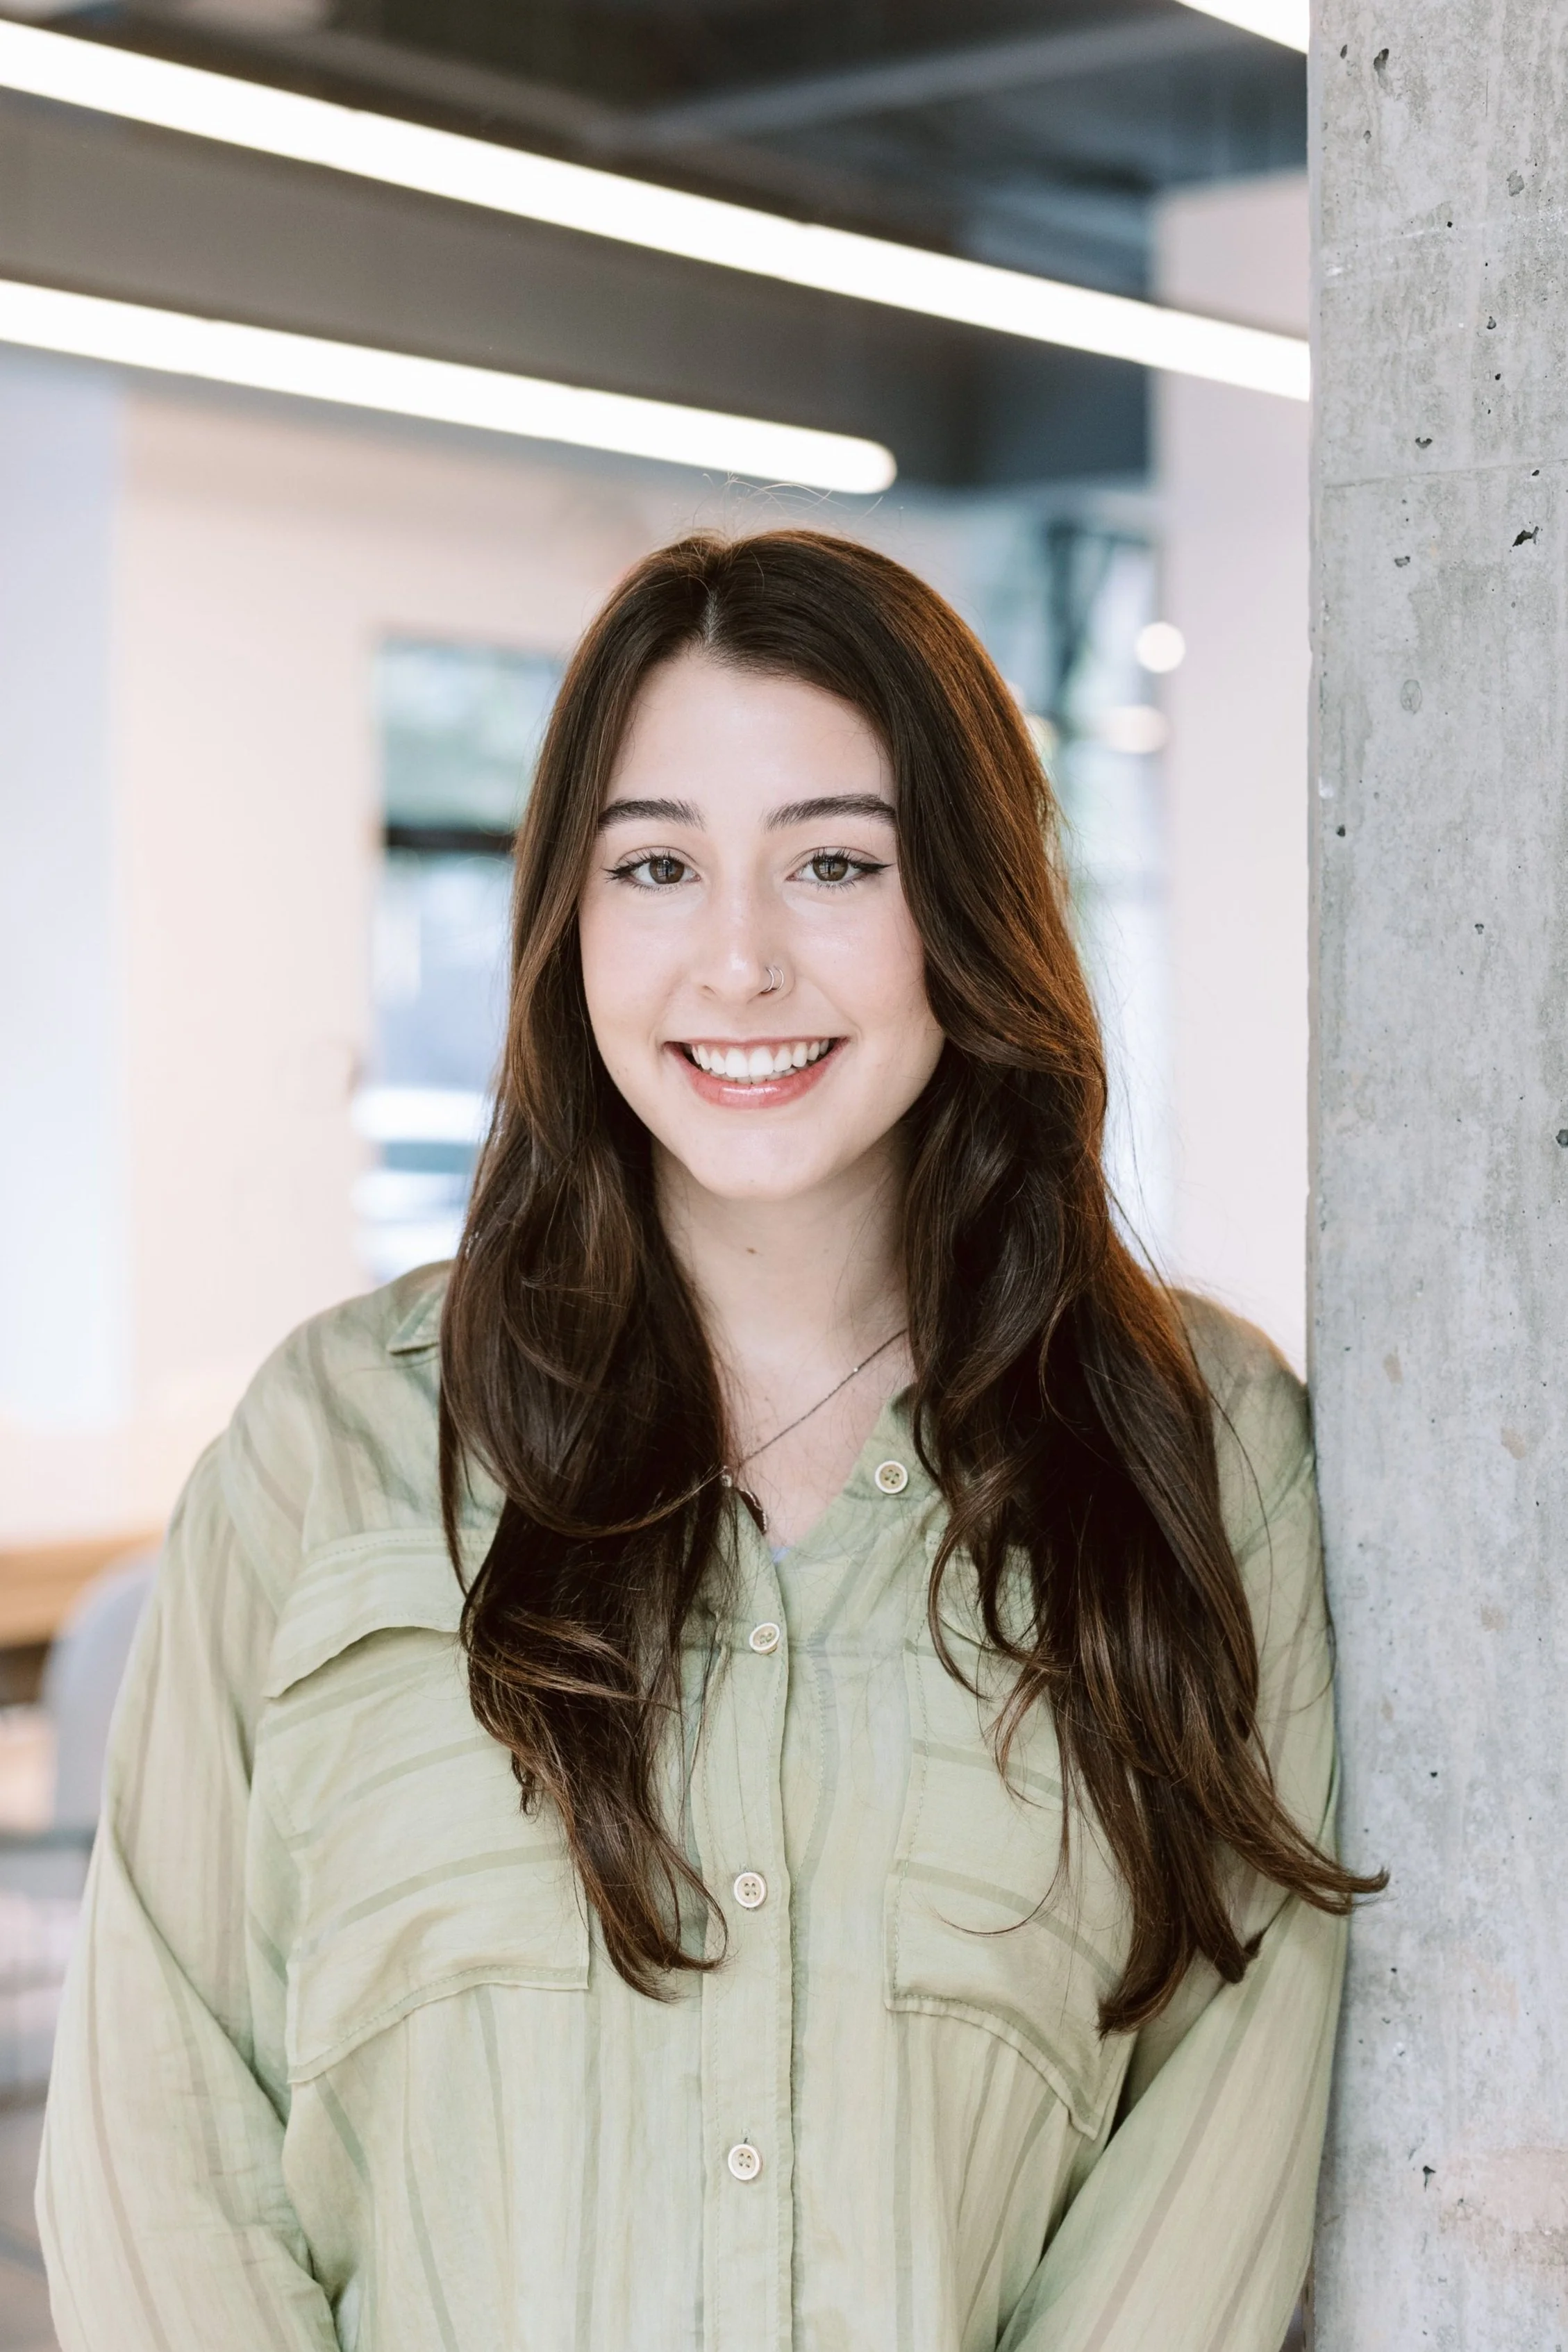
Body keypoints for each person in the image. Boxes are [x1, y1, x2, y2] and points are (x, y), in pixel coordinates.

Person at [38, 530, 1378, 2351]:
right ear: (570, 922)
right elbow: (162, 2138)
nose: (738, 960)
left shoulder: (1204, 1457)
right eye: (655, 865)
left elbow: (1222, 2139)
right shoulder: (330, 1443)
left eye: (838, 861)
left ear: (972, 908)